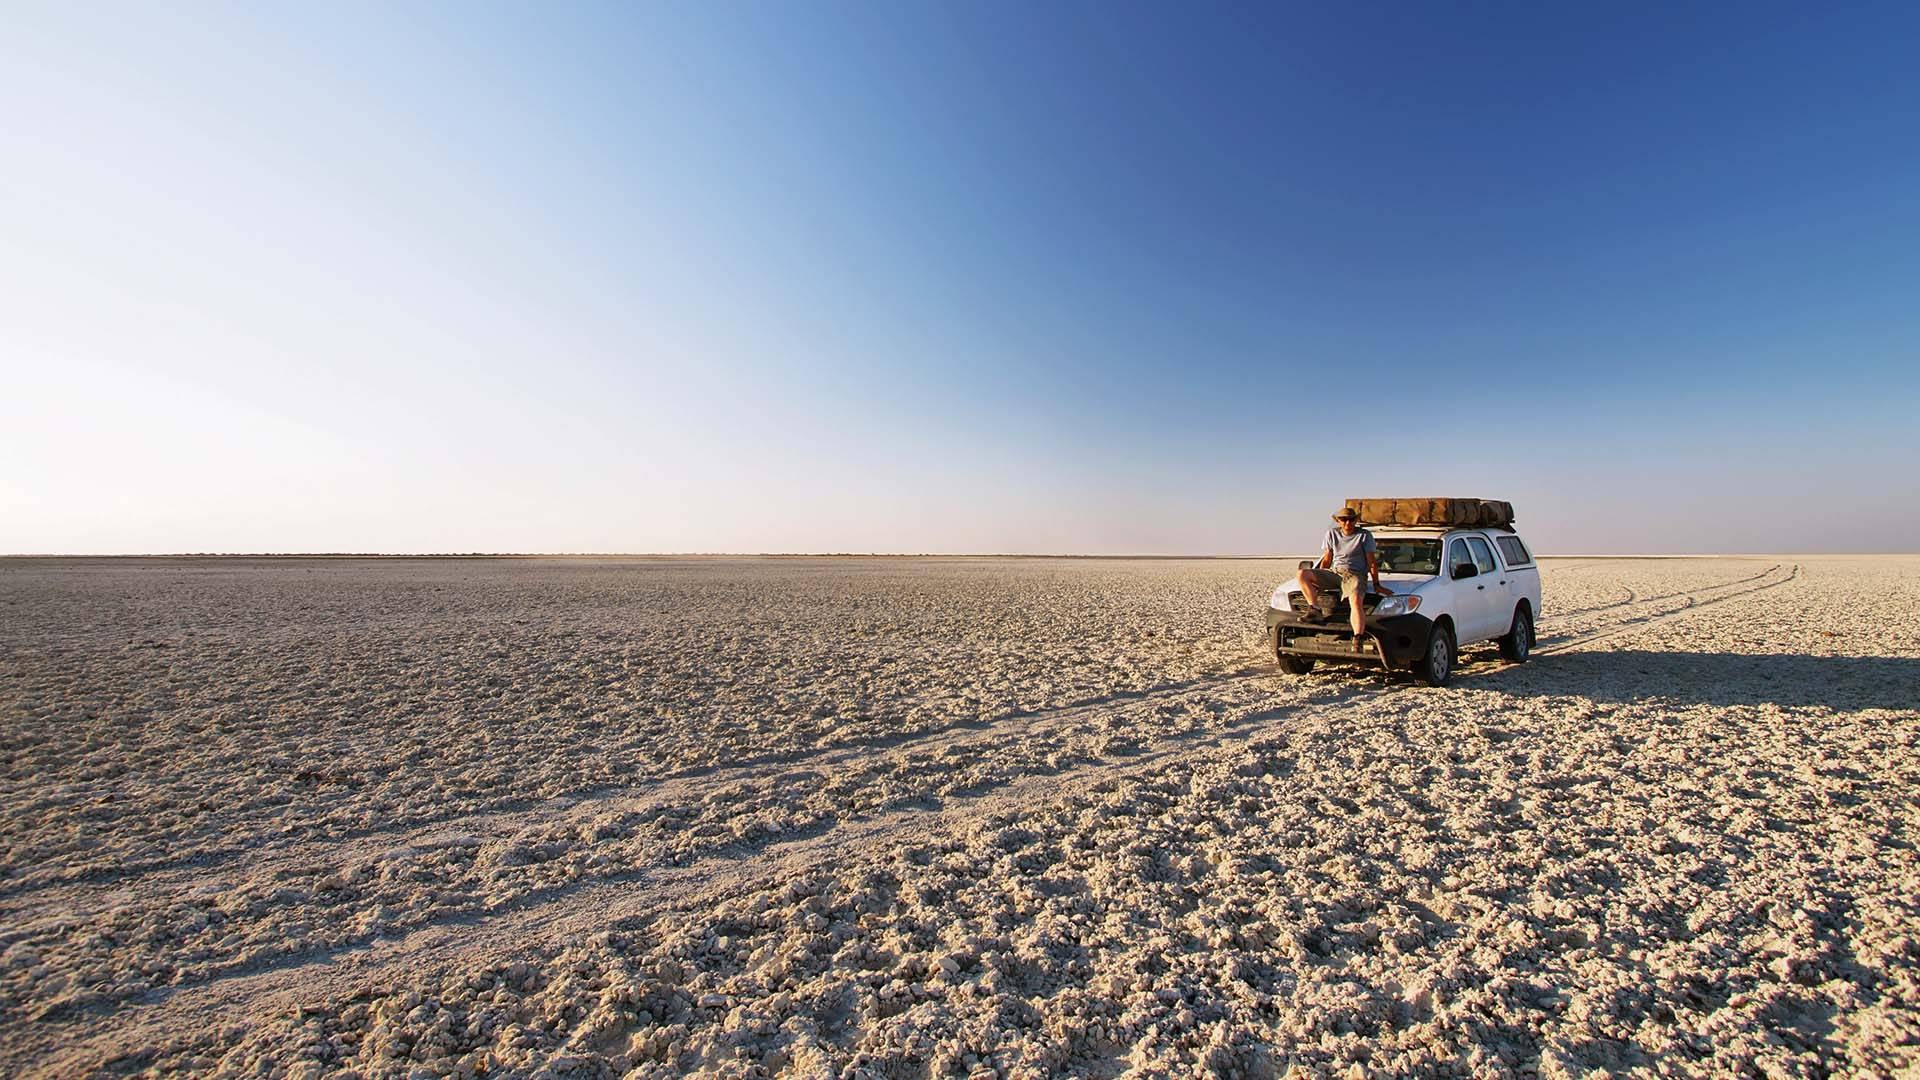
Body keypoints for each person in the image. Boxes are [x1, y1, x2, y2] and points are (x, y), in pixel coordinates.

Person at [1298, 507, 1391, 645]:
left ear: (1356, 520)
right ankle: (1314, 609)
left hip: (1355, 574)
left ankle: (1358, 636)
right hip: (1335, 572)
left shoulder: (1364, 536)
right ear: (1338, 521)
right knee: (1302, 574)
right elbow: (1327, 558)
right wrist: (1321, 577)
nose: (1347, 523)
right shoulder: (1331, 534)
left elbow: (1371, 562)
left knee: (1355, 601)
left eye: (1351, 519)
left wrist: (1376, 584)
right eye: (1343, 519)